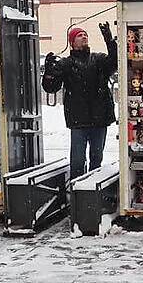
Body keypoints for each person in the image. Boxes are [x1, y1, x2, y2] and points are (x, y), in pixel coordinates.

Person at [42, 22, 117, 179]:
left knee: (96, 160)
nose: (84, 37)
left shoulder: (98, 59)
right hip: (78, 121)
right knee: (77, 162)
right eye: (79, 35)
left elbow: (115, 62)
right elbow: (51, 87)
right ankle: (77, 193)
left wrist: (109, 40)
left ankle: (92, 194)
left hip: (99, 119)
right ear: (72, 42)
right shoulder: (66, 63)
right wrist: (48, 71)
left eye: (85, 35)